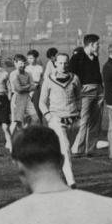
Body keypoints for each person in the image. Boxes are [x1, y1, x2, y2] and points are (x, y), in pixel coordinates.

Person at [38, 52, 82, 188]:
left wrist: (79, 112)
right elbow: (42, 102)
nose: (63, 66)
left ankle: (54, 172)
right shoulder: (49, 80)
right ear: (55, 64)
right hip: (57, 120)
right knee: (65, 149)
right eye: (60, 63)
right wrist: (49, 117)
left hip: (73, 120)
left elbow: (79, 97)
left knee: (64, 152)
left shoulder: (74, 78)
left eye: (65, 63)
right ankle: (71, 182)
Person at [68, 34, 104, 157]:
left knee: (96, 121)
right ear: (91, 45)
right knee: (83, 120)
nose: (99, 46)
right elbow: (72, 76)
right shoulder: (77, 57)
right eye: (97, 44)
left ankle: (91, 149)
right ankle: (78, 149)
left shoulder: (95, 57)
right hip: (85, 93)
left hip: (98, 91)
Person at [8, 54, 38, 129]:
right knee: (16, 122)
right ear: (15, 63)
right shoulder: (14, 74)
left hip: (27, 98)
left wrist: (26, 87)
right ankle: (9, 141)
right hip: (17, 98)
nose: (23, 65)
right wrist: (28, 86)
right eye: (21, 63)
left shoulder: (28, 74)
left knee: (35, 118)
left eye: (24, 63)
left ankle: (24, 133)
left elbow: (33, 86)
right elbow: (19, 89)